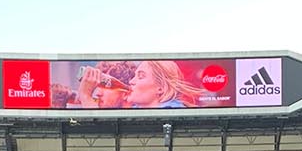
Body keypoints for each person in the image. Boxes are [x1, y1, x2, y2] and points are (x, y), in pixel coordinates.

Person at [76, 61, 205, 109]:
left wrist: (86, 97)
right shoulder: (137, 112)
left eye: (140, 76)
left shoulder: (172, 116)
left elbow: (103, 142)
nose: (131, 82)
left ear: (161, 88)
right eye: (134, 75)